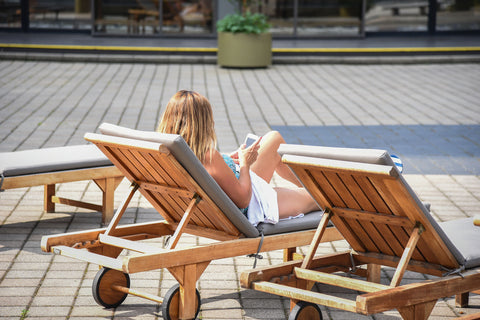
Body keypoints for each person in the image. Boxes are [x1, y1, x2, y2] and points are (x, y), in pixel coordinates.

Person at [157, 90, 319, 226]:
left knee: (273, 139)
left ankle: (309, 184)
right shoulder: (208, 156)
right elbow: (243, 201)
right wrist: (245, 164)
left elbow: (210, 173)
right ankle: (317, 187)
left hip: (237, 190)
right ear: (202, 123)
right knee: (318, 198)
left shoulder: (169, 150)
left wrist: (226, 159)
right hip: (255, 204)